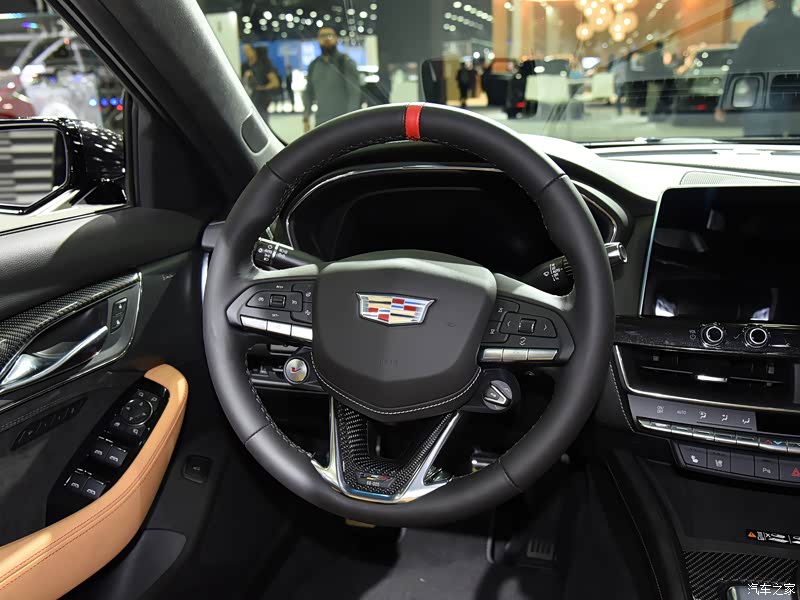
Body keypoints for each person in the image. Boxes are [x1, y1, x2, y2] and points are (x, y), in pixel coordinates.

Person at [716, 0, 800, 135]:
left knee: (761, 144)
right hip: (796, 104)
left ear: (770, 1)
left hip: (764, 103)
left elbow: (737, 68)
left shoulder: (757, 32)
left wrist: (724, 102)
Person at [302, 26, 361, 132]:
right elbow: (308, 92)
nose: (326, 39)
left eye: (330, 35)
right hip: (321, 123)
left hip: (343, 123)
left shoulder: (346, 62)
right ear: (318, 40)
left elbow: (354, 93)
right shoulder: (314, 65)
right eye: (322, 36)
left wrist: (352, 120)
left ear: (336, 38)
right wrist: (306, 117)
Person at [243, 45, 281, 122]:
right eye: (244, 51)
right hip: (250, 99)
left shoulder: (263, 65)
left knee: (262, 121)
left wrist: (261, 88)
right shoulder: (246, 66)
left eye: (248, 50)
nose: (246, 53)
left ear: (254, 51)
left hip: (261, 99)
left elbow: (275, 83)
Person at [642, 41, 670, 119]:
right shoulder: (657, 55)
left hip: (652, 79)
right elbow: (659, 67)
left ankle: (651, 114)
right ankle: (651, 114)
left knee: (652, 97)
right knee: (653, 98)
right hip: (656, 79)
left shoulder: (651, 54)